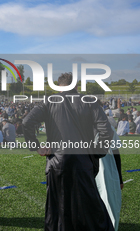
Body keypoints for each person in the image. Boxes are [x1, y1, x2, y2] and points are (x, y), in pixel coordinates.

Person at [22, 72, 114, 231]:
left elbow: (26, 122)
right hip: (83, 161)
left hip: (58, 163)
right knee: (92, 209)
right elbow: (106, 130)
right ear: (76, 86)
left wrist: (36, 146)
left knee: (58, 210)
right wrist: (96, 152)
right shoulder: (89, 101)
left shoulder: (49, 101)